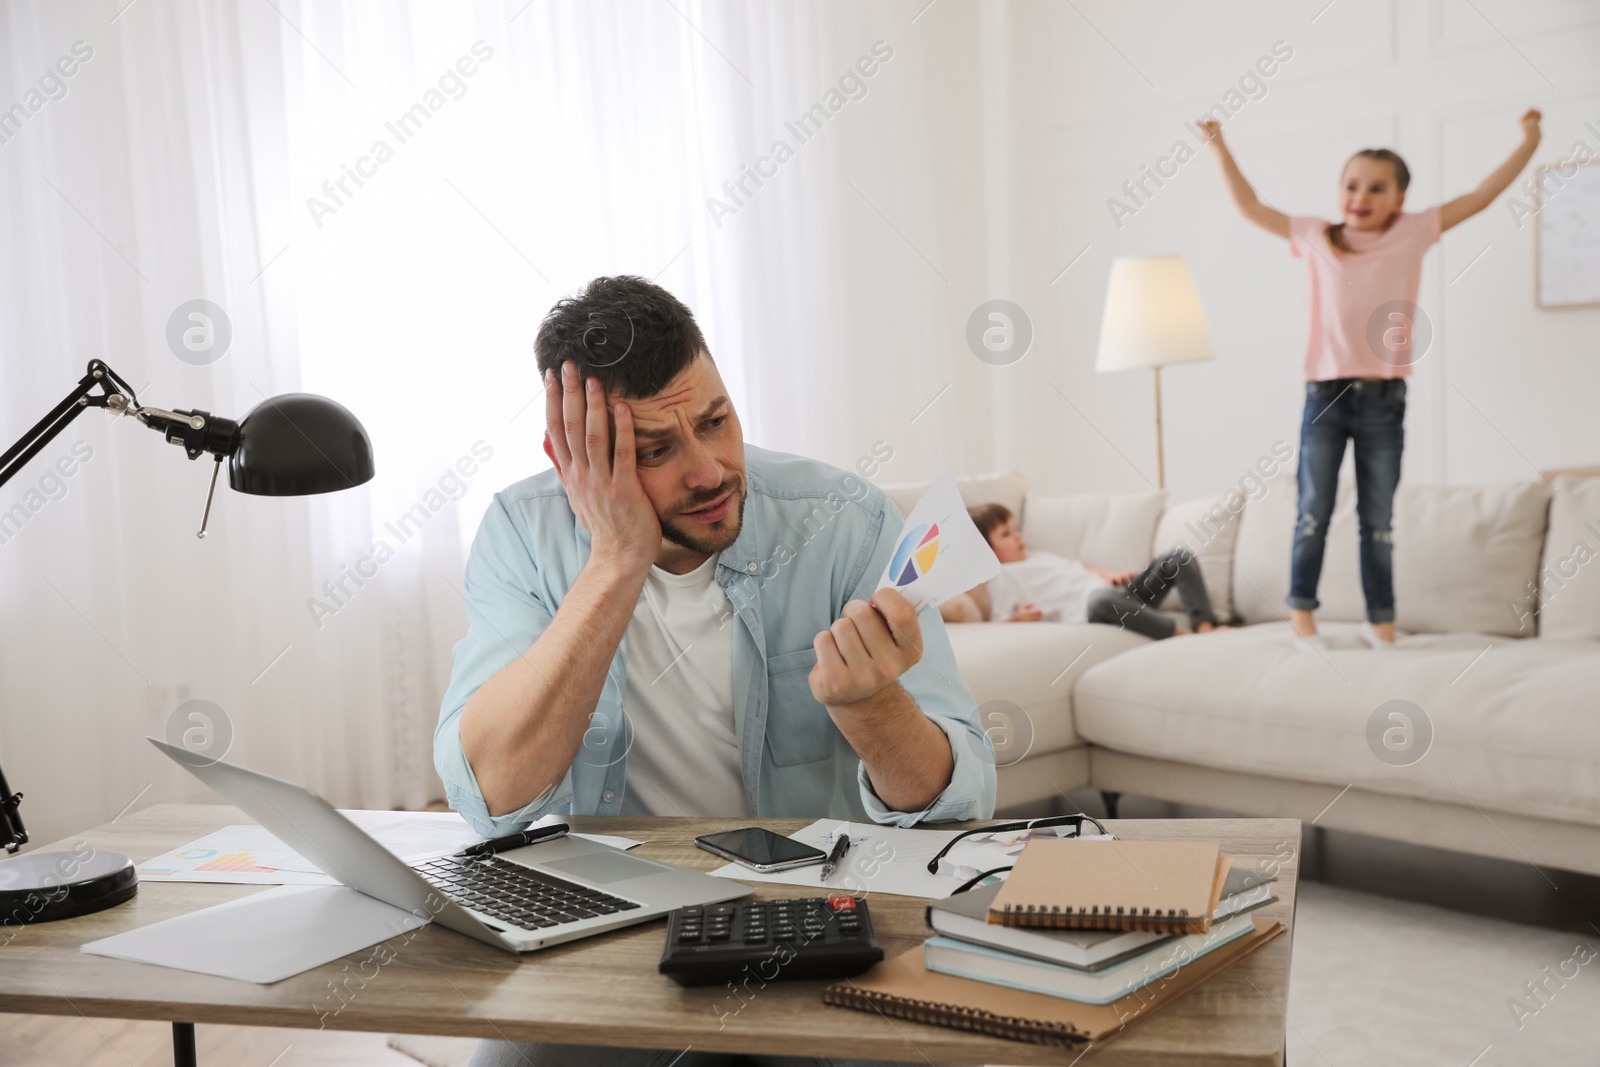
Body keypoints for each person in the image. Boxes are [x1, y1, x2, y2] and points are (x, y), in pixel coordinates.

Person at [434, 275, 994, 1067]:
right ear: (575, 460)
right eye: (658, 450)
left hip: (818, 919)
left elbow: (959, 802)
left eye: (716, 421)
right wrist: (617, 559)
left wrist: (873, 709)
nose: (707, 470)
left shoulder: (844, 521)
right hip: (615, 925)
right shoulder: (522, 534)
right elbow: (491, 797)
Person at [1200, 110, 1542, 650]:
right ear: (1340, 190)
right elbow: (1251, 206)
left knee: (1377, 518)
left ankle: (1381, 622)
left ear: (1399, 199)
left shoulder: (1414, 232)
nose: (1361, 197)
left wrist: (1530, 141)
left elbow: (1481, 196)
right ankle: (1302, 618)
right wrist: (1220, 148)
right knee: (1313, 512)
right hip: (1325, 395)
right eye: (1352, 185)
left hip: (1384, 397)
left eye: (1377, 189)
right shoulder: (1316, 235)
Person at [940, 503, 1223, 640]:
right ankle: (1178, 636)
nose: (1017, 536)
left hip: (1119, 593)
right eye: (1005, 534)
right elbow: (995, 623)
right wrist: (1019, 619)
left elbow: (1078, 568)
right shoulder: (998, 578)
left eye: (1016, 528)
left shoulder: (1037, 555)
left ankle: (1205, 625)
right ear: (985, 548)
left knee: (1178, 557)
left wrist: (1105, 572)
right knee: (1101, 599)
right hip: (1091, 608)